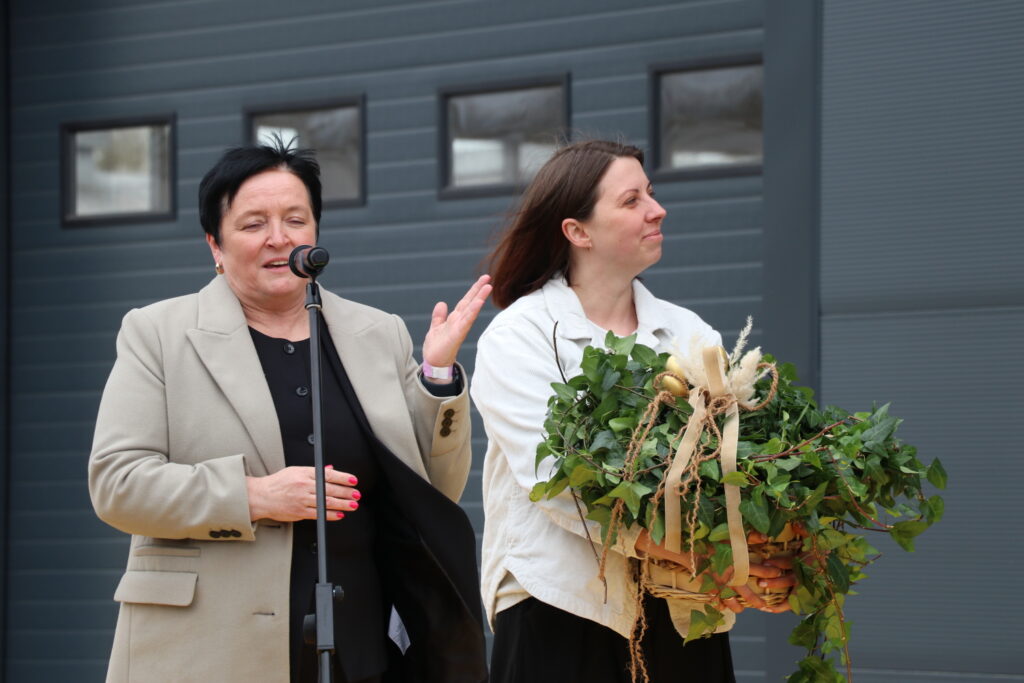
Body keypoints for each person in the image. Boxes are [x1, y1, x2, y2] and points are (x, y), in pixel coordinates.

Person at [88, 139, 491, 683]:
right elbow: (117, 484)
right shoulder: (157, 333)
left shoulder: (378, 333)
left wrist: (437, 376)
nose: (279, 237)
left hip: (359, 646)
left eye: (295, 220)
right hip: (209, 647)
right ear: (215, 245)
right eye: (254, 224)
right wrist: (255, 497)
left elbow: (434, 490)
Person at [470, 140, 794, 683]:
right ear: (578, 231)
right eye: (631, 200)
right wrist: (713, 559)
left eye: (651, 193)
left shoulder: (689, 333)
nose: (657, 209)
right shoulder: (520, 336)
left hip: (685, 611)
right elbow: (559, 484)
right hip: (563, 608)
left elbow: (735, 473)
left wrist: (757, 556)